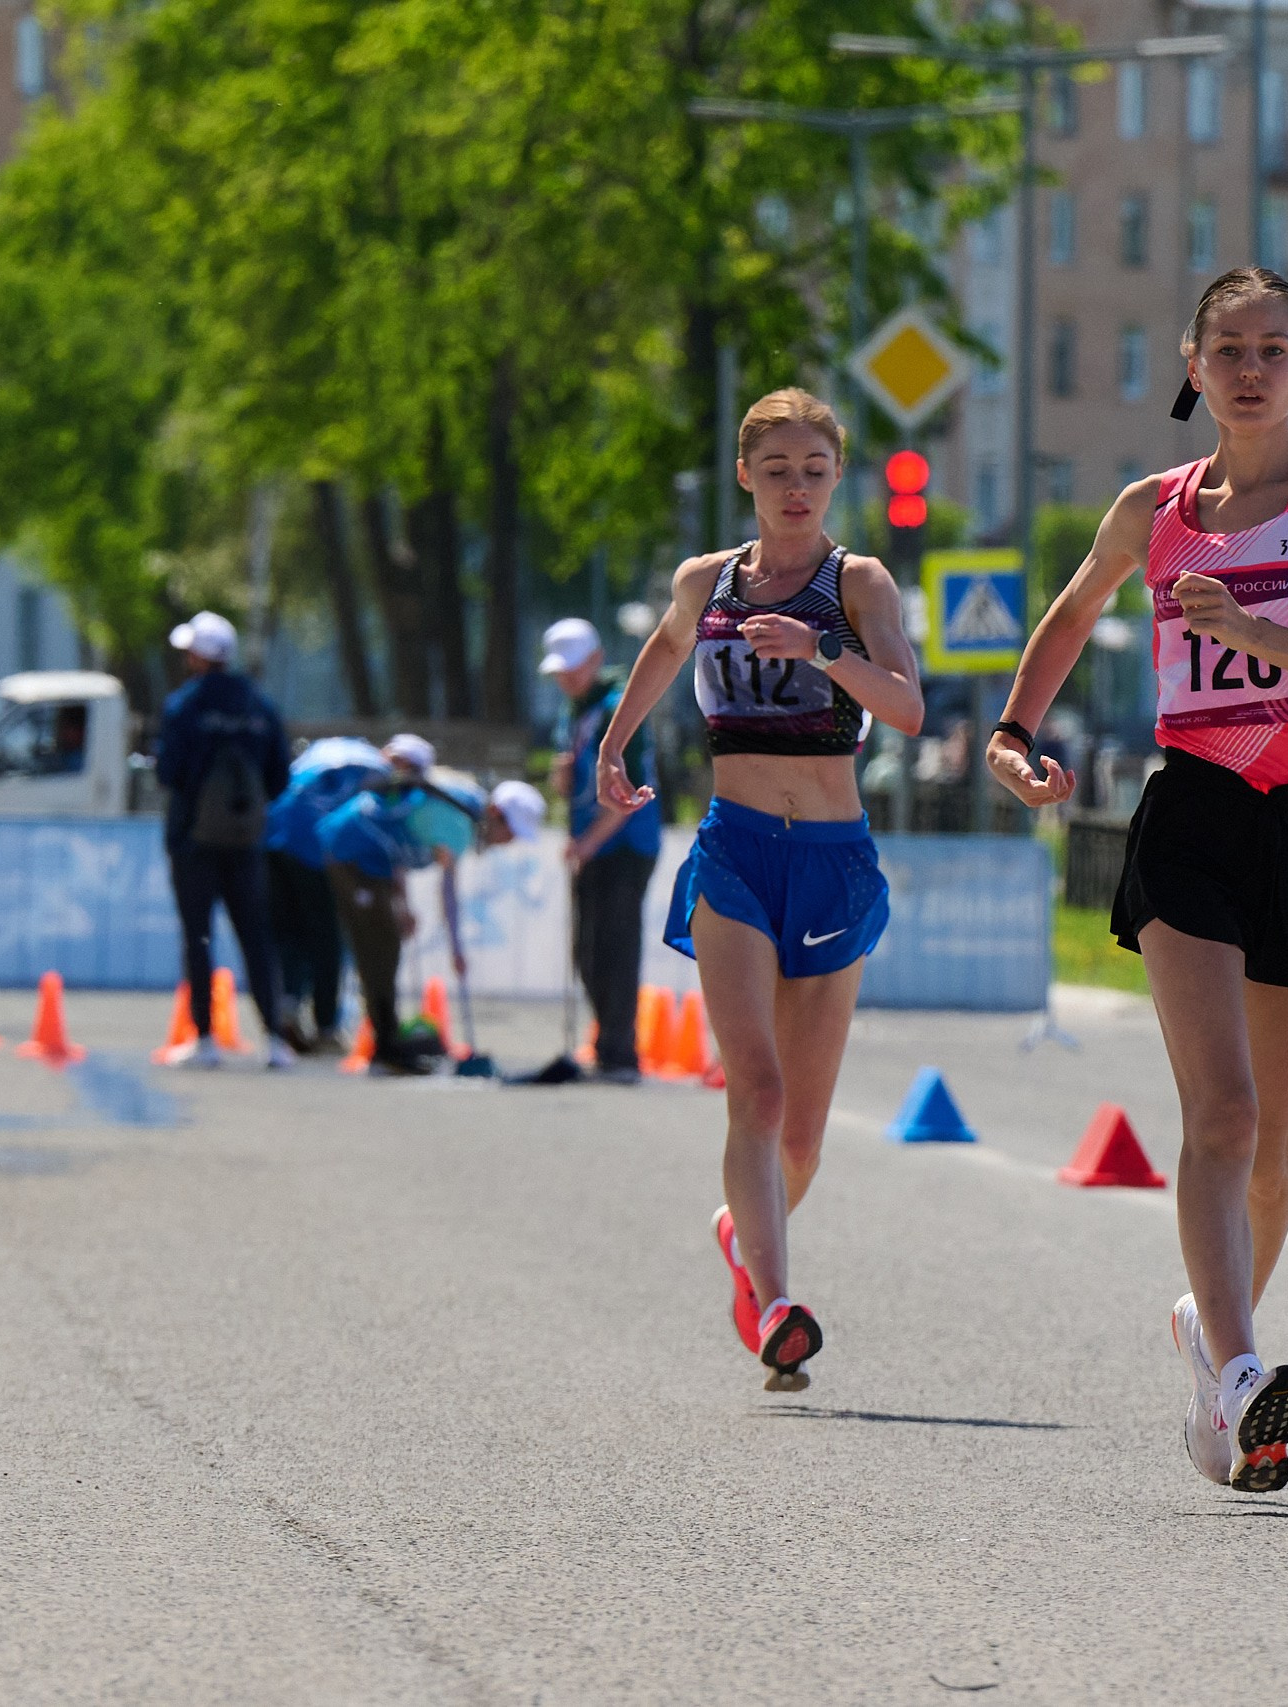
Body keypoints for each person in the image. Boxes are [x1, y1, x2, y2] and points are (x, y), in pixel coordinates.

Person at [989, 268, 1288, 1491]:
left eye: (1271, 347)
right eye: (1225, 348)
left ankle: (1210, 1349)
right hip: (1192, 816)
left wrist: (1256, 633)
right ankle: (1244, 1376)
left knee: (1276, 1150)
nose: (1247, 368)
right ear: (1191, 366)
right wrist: (1014, 735)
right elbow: (1072, 616)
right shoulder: (1153, 507)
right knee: (1221, 1116)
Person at [593, 387, 925, 1393]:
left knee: (804, 1134)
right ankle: (777, 1303)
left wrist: (824, 652)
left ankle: (746, 1236)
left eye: (813, 471)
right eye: (775, 470)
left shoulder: (857, 583)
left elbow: (907, 709)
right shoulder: (709, 581)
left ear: (837, 478)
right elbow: (658, 656)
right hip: (734, 849)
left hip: (829, 858)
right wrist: (612, 749)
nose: (795, 488)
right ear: (745, 475)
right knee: (760, 1089)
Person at [319, 760, 540, 1072]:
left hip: (369, 860)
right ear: (496, 816)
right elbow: (447, 893)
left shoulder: (462, 804)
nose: (510, 842)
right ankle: (385, 1048)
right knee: (378, 950)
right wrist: (456, 948)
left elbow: (399, 846)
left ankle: (388, 1041)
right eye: (512, 832)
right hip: (350, 852)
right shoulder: (458, 824)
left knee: (386, 945)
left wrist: (402, 905)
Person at [154, 610, 293, 1069]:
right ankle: (275, 1038)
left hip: (192, 840)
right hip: (247, 843)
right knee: (257, 936)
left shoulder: (184, 706)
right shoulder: (260, 705)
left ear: (197, 656)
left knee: (199, 938)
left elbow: (167, 772)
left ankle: (206, 1040)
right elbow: (279, 777)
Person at [542, 617, 662, 1084]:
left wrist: (588, 842)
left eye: (573, 668)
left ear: (595, 660)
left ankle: (619, 1052)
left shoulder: (618, 707)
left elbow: (628, 794)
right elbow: (565, 784)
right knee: (586, 949)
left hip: (625, 843)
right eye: (559, 670)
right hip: (590, 844)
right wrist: (561, 775)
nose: (565, 678)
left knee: (616, 947)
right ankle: (605, 1040)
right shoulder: (573, 711)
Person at [262, 735, 388, 1052]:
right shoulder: (371, 771)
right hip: (315, 847)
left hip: (272, 839)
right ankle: (327, 1025)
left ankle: (287, 1007)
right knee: (326, 937)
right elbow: (361, 825)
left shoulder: (312, 764)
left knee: (289, 932)